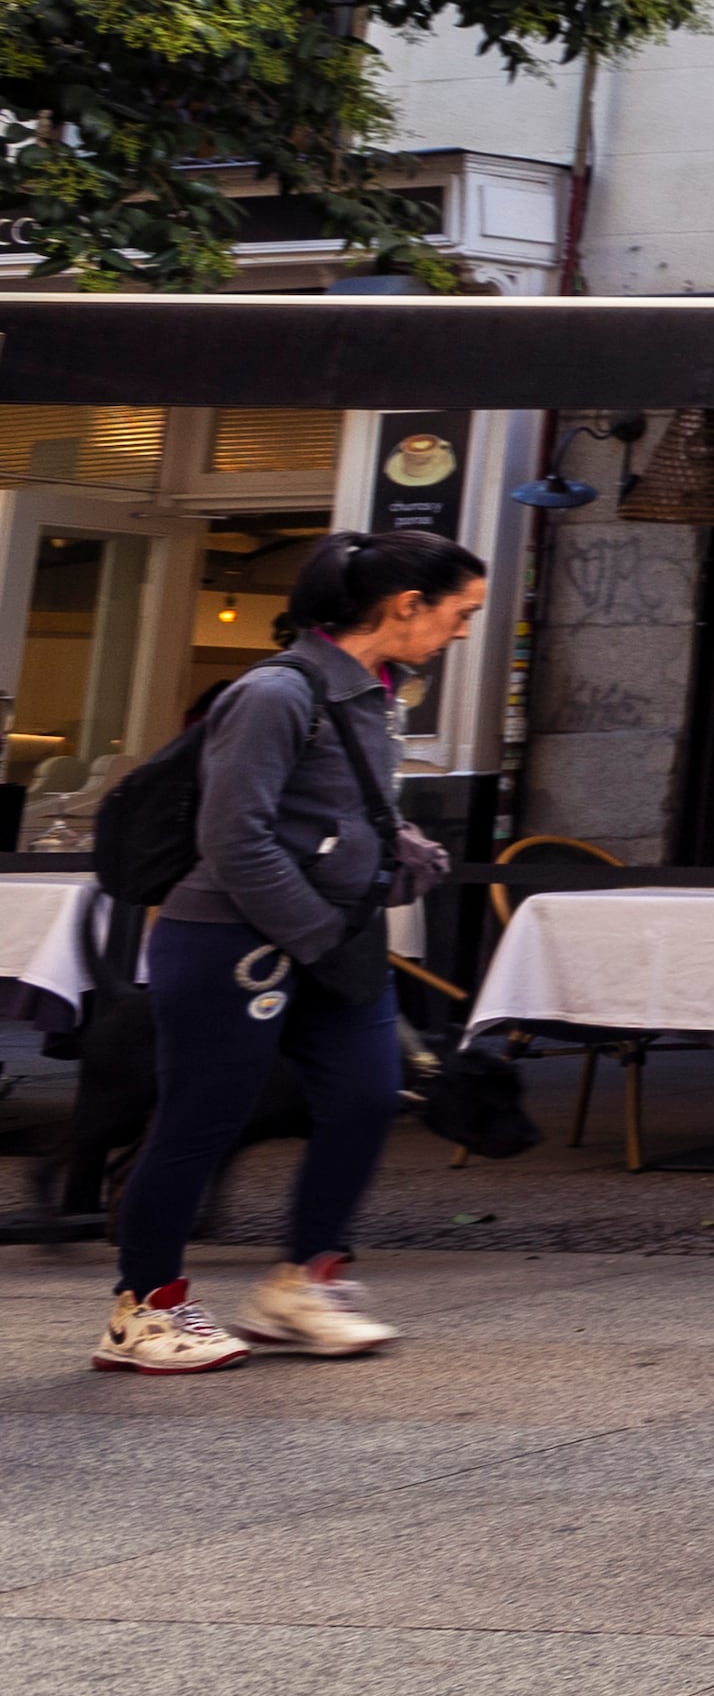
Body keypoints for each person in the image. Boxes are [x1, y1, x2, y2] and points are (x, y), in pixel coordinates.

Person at [93, 533, 480, 1376]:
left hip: (330, 936)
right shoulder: (274, 690)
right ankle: (143, 1312)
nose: (462, 633)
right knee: (203, 1120)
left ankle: (304, 1283)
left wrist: (398, 846)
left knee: (370, 1096)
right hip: (234, 938)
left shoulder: (377, 690)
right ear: (406, 606)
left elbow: (325, 810)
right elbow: (235, 835)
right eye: (461, 614)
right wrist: (317, 934)